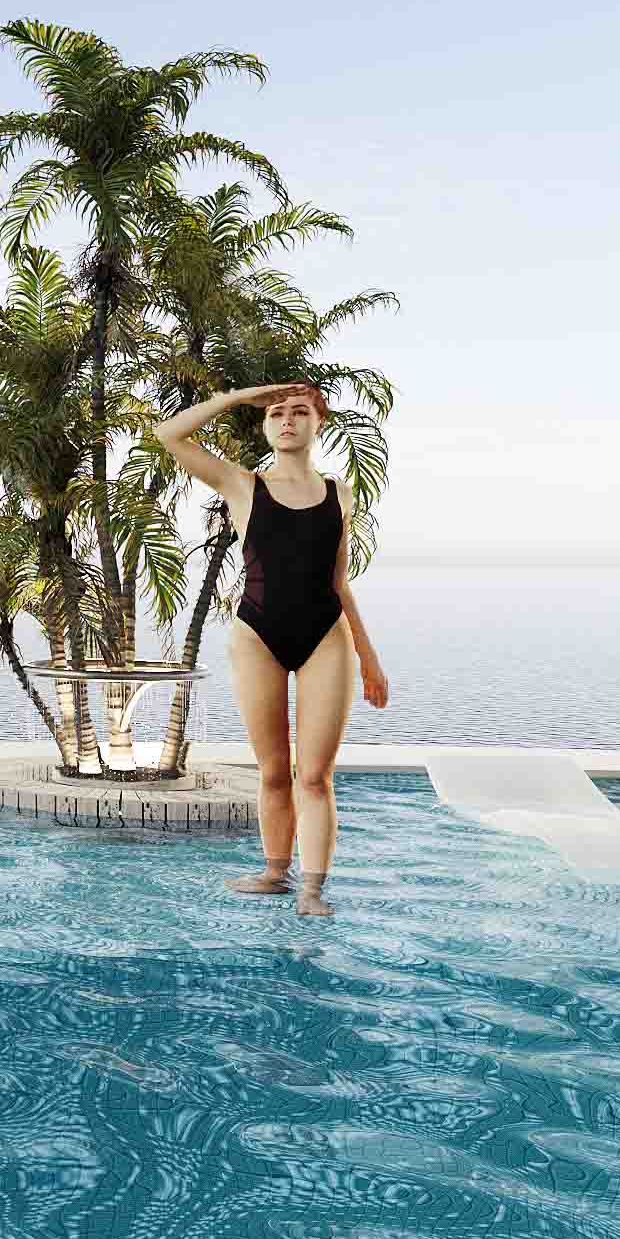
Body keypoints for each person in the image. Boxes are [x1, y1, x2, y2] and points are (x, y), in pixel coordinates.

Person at [152, 382, 389, 915]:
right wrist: (240, 397)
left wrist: (369, 657)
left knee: (315, 775)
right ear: (264, 424)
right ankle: (275, 872)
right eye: (277, 412)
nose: (287, 420)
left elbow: (339, 582)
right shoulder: (242, 485)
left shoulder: (339, 494)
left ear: (318, 424)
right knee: (274, 770)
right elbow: (169, 434)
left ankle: (312, 890)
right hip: (257, 636)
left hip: (325, 635)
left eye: (300, 412)